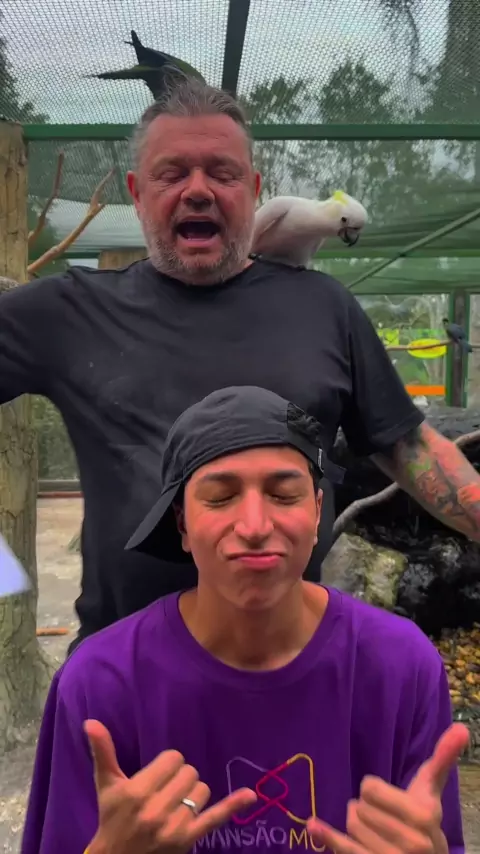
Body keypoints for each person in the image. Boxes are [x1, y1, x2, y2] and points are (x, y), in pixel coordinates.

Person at [2, 78, 480, 652]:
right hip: (127, 669)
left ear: (253, 190)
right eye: (171, 174)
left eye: (222, 173)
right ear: (137, 193)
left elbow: (408, 444)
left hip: (292, 664)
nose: (197, 190)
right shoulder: (69, 311)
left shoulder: (323, 305)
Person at [21, 386, 467, 854]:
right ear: (182, 523)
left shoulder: (400, 668)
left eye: (283, 494)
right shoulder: (100, 684)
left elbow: (434, 838)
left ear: (317, 512)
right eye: (220, 497)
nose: (254, 526)